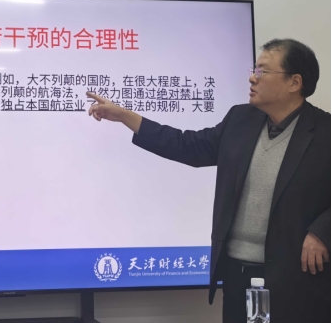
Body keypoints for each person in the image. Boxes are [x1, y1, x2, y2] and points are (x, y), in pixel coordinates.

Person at [87, 39, 330, 323]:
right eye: (254, 70)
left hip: (294, 279)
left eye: (262, 71)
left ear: (294, 82)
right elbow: (187, 145)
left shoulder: (325, 133)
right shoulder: (241, 120)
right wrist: (125, 116)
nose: (252, 78)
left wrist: (321, 230)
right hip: (237, 273)